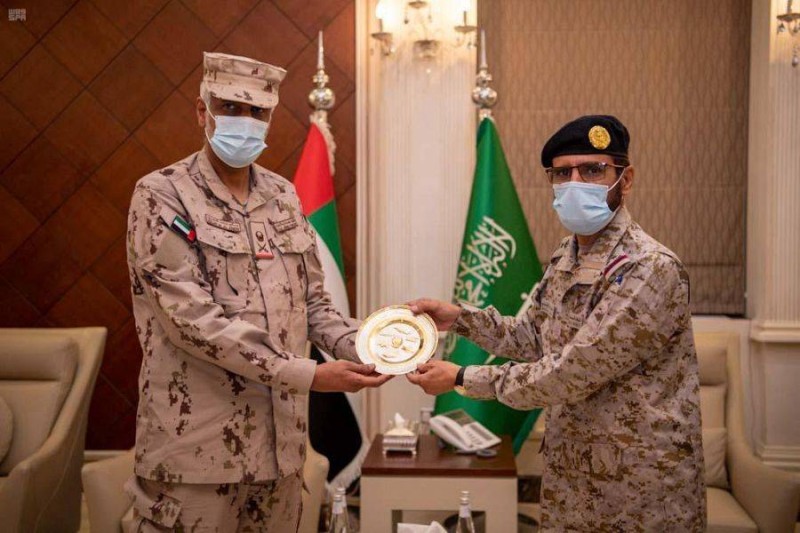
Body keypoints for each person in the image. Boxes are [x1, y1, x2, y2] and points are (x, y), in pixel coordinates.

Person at [124, 52, 391, 532]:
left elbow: (314, 304)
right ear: (202, 111)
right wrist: (309, 374)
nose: (244, 122)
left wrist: (378, 347)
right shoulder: (162, 194)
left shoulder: (282, 196)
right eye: (230, 107)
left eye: (257, 111)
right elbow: (192, 321)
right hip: (197, 455)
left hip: (281, 453)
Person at [407, 116, 706, 531]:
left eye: (593, 170)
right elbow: (533, 337)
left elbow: (574, 371)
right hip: (573, 478)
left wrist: (461, 377)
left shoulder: (649, 267)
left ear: (625, 179)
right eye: (563, 173)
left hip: (640, 489)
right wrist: (460, 319)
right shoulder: (567, 255)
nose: (575, 183)